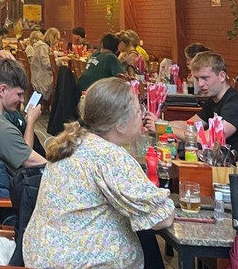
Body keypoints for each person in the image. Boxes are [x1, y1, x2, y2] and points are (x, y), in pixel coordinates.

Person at [22, 78, 175, 269]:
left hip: (43, 256)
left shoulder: (73, 142)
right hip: (80, 263)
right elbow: (162, 217)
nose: (142, 116)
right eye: (139, 111)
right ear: (120, 124)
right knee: (147, 239)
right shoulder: (108, 156)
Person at [148, 51, 238, 180]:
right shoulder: (214, 100)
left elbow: (208, 139)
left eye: (205, 78)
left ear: (222, 76)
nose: (200, 84)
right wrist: (160, 123)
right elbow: (189, 125)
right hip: (231, 170)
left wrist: (164, 129)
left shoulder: (237, 105)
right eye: (197, 78)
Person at [0, 57, 46, 198]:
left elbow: (21, 152)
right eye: (19, 94)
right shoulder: (0, 129)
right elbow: (40, 164)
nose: (22, 100)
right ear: (2, 90)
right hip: (18, 198)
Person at [29, 28, 60, 100]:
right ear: (53, 37)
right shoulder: (42, 47)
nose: (57, 41)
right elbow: (47, 64)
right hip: (41, 77)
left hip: (38, 74)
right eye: (57, 39)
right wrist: (59, 62)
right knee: (61, 80)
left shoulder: (42, 46)